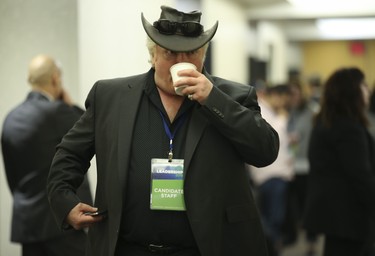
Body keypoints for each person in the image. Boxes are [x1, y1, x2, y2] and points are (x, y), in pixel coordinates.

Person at [46, 5, 280, 256]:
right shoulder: (110, 97)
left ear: (203, 54)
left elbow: (265, 151)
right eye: (170, 53)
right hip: (127, 248)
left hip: (208, 248)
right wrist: (64, 201)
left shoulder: (234, 97)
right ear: (154, 54)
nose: (181, 62)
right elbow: (69, 154)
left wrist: (213, 100)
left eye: (191, 52)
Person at [1, 54, 93, 256]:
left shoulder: (11, 118)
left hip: (27, 226)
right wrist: (70, 105)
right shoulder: (59, 112)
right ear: (55, 79)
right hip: (60, 222)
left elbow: (12, 177)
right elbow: (90, 127)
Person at [303, 67, 375, 256]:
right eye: (363, 85)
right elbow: (360, 177)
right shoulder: (348, 129)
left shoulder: (327, 123)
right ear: (352, 92)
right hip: (350, 218)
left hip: (337, 218)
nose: (367, 90)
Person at [249, 84, 294, 256]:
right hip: (272, 174)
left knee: (269, 217)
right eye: (283, 99)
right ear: (275, 95)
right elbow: (273, 138)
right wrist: (283, 119)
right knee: (273, 218)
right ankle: (273, 248)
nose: (283, 104)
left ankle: (272, 246)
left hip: (270, 174)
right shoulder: (262, 110)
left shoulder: (268, 111)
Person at [285, 82, 318, 255]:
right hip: (290, 166)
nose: (294, 98)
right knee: (294, 206)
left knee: (309, 205)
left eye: (297, 94)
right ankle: (296, 235)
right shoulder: (288, 112)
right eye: (291, 94)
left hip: (307, 165)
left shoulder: (311, 113)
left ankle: (311, 241)